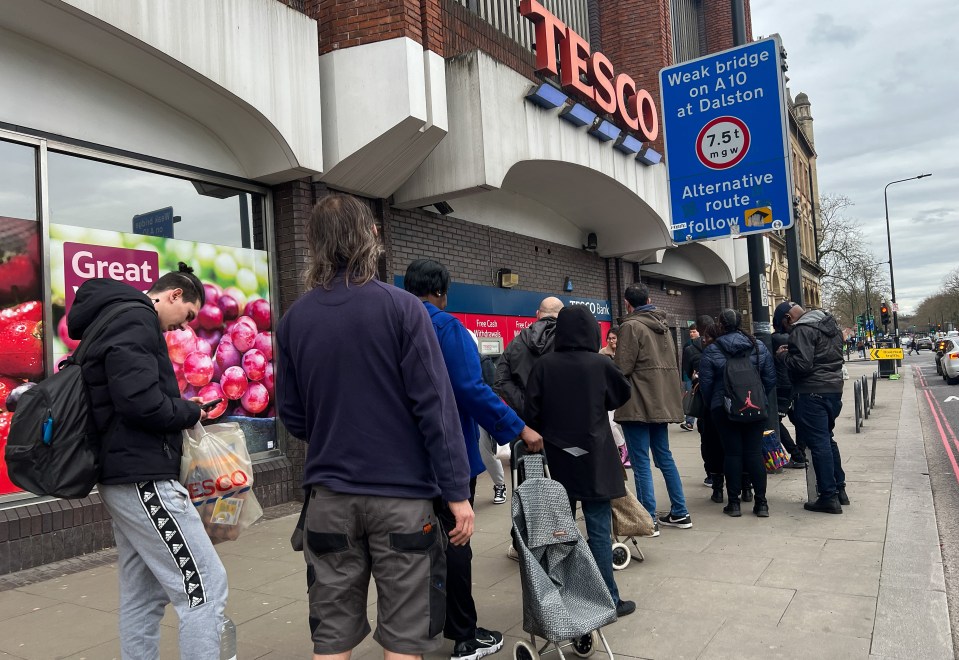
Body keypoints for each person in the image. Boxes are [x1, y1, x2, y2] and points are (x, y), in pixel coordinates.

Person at [276, 194, 474, 660]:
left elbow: (292, 413)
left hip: (328, 499)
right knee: (406, 634)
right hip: (401, 500)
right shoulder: (402, 308)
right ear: (372, 236)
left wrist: (336, 433)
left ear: (316, 244)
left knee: (331, 633)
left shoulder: (293, 321)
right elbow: (436, 408)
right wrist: (457, 493)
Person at [69, 264, 227, 659]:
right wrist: (189, 413)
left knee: (143, 596)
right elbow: (139, 403)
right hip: (144, 479)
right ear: (173, 295)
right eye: (187, 316)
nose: (182, 328)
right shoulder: (137, 317)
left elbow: (129, 395)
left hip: (123, 475)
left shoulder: (111, 318)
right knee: (205, 587)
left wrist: (176, 407)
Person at [404, 258, 543, 660]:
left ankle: (412, 631)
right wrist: (520, 428)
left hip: (399, 462)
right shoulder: (447, 328)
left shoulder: (392, 327)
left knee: (411, 547)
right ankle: (463, 634)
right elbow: (471, 390)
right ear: (442, 292)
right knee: (455, 540)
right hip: (445, 457)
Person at [524, 306, 635, 618]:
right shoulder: (600, 364)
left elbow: (530, 412)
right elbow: (620, 395)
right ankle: (608, 599)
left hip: (557, 458)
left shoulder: (544, 366)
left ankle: (562, 597)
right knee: (599, 530)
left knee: (559, 530)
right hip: (595, 456)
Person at [613, 282, 690, 533]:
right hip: (661, 400)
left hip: (637, 402)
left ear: (628, 303)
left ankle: (649, 519)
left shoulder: (631, 326)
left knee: (641, 462)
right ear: (648, 298)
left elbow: (622, 367)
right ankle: (680, 512)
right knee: (664, 457)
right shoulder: (664, 326)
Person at [698, 310, 777, 518]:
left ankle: (733, 504)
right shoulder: (758, 346)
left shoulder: (712, 349)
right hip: (756, 407)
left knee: (732, 453)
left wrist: (715, 404)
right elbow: (770, 378)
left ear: (721, 325)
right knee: (753, 453)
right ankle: (761, 504)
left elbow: (705, 385)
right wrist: (758, 397)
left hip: (724, 409)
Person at [774, 301, 848, 514]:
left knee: (819, 444)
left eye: (784, 326)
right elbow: (819, 355)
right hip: (834, 389)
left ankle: (828, 496)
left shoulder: (801, 329)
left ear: (788, 318)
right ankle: (840, 490)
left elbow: (803, 365)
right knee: (828, 438)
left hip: (812, 391)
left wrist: (783, 355)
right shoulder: (829, 324)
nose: (787, 331)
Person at [493, 296, 564, 420]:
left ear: (537, 314)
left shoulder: (516, 343)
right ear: (563, 315)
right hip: (564, 421)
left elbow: (500, 380)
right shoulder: (568, 341)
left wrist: (525, 406)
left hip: (528, 426)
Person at [688, 316, 726, 502]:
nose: (703, 339)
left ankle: (716, 485)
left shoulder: (707, 355)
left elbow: (706, 384)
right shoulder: (744, 350)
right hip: (734, 408)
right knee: (733, 448)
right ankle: (744, 489)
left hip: (711, 409)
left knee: (711, 446)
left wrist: (697, 381)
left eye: (706, 336)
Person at [772, 308, 807, 469]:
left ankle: (796, 455)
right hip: (795, 384)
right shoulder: (796, 336)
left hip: (781, 386)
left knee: (776, 421)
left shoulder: (773, 339)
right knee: (798, 420)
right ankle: (801, 452)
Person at [599, 326, 629, 468]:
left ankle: (626, 452)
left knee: (621, 424)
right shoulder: (602, 354)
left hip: (623, 393)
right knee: (610, 424)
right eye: (609, 338)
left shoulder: (624, 354)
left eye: (614, 338)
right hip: (608, 394)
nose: (611, 340)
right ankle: (622, 447)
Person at [679, 324, 700, 432]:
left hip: (700, 375)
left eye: (694, 331)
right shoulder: (687, 345)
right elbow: (685, 363)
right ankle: (689, 422)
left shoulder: (704, 343)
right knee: (691, 397)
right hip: (689, 375)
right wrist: (685, 376)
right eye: (690, 332)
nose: (692, 334)